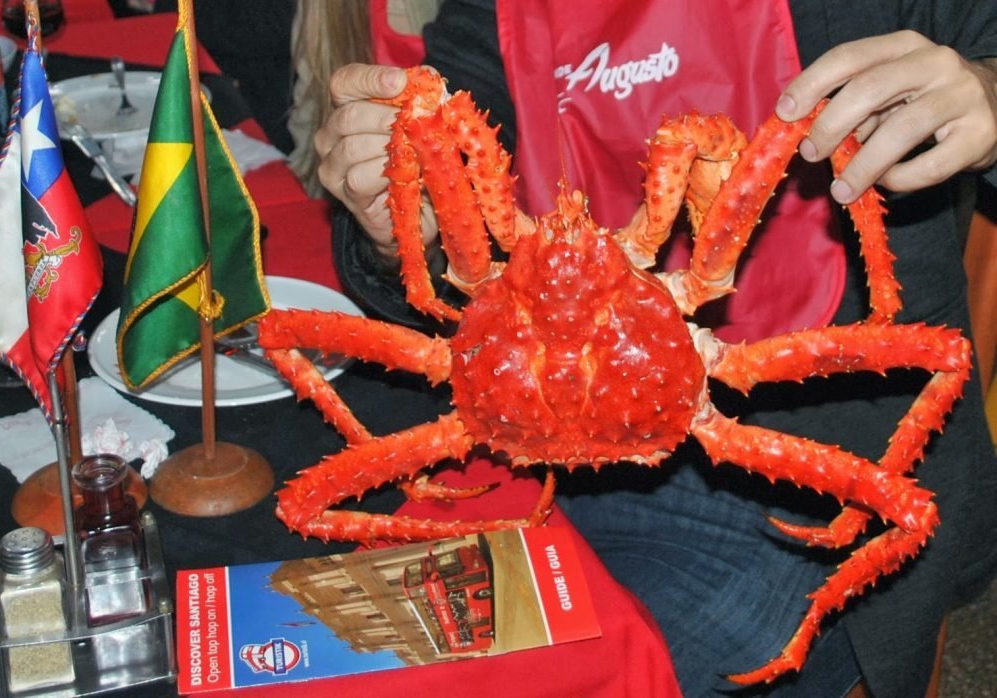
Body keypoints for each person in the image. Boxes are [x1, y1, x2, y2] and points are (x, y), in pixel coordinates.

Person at [305, 1, 997, 696]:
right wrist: (393, 224)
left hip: (785, 505)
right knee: (352, 650)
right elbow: (442, 140)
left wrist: (988, 91)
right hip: (528, 456)